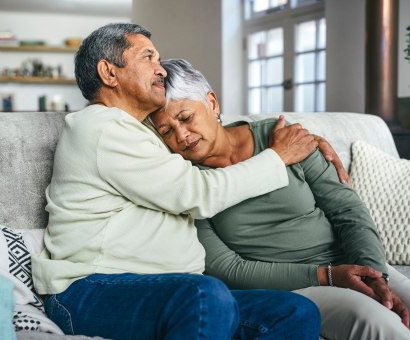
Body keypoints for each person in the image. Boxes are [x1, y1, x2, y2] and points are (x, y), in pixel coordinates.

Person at [31, 23, 331, 340]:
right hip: (94, 290)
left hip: (169, 293)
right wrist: (280, 155)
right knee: (204, 294)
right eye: (148, 57)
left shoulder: (141, 133)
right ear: (109, 73)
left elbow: (206, 130)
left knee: (295, 312)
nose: (160, 69)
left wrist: (302, 141)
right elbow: (197, 193)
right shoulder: (102, 128)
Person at [148, 58, 410, 340]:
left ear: (212, 103)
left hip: (354, 262)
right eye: (166, 132)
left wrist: (374, 275)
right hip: (297, 287)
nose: (182, 135)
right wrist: (330, 276)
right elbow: (228, 268)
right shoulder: (187, 183)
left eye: (186, 118)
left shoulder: (284, 138)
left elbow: (348, 210)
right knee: (385, 327)